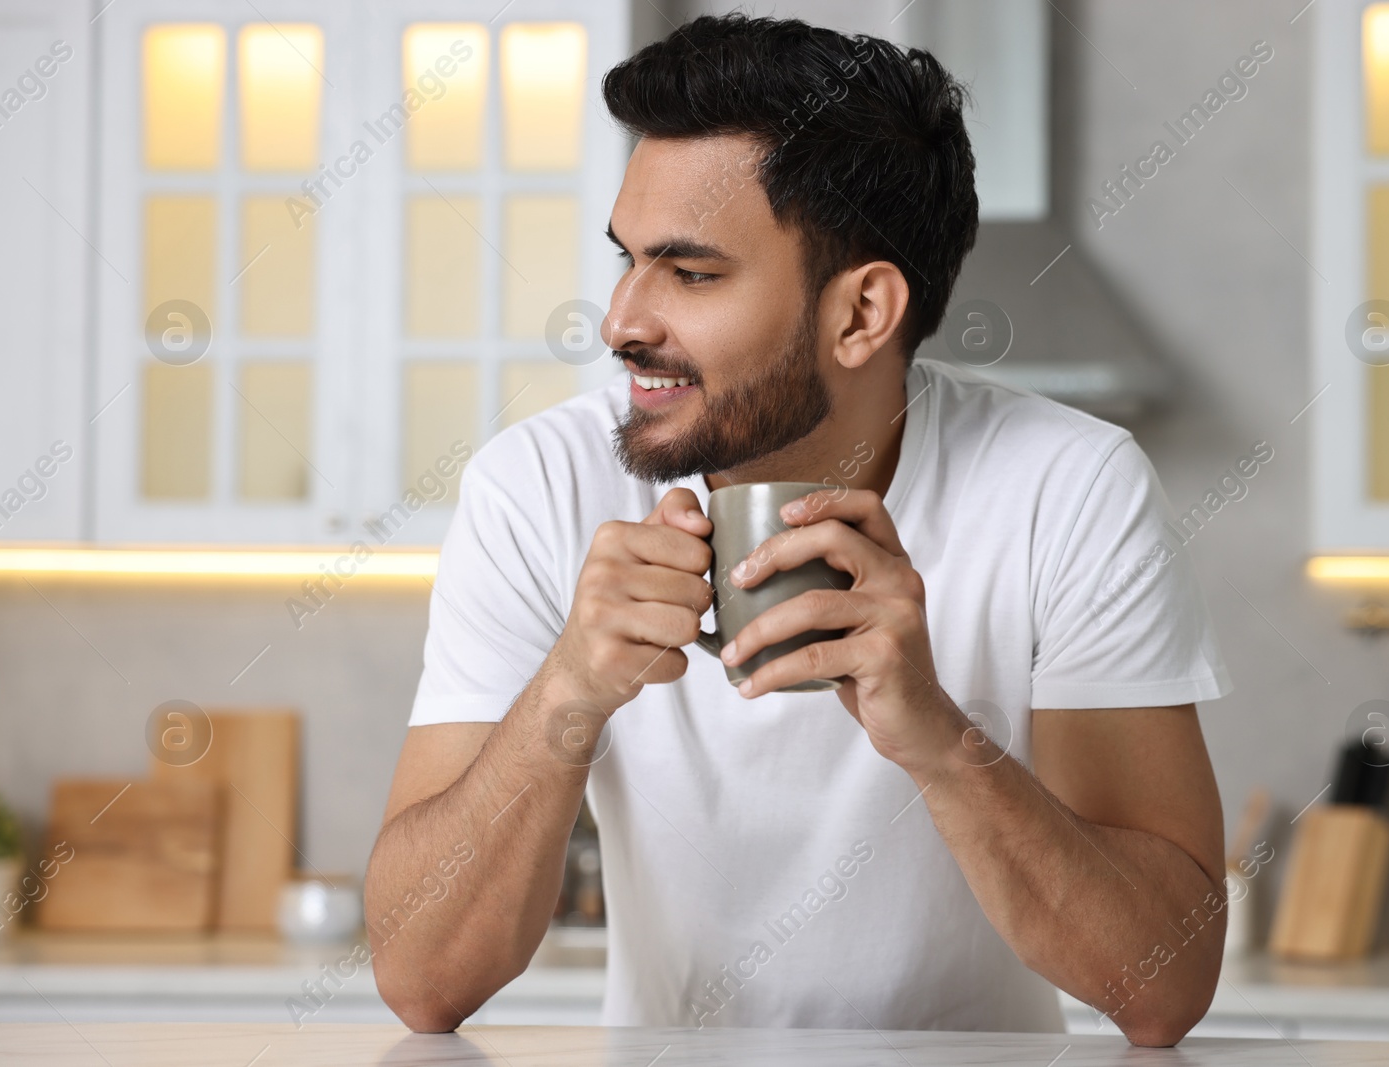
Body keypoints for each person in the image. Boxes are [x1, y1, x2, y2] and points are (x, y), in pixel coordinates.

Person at [366, 13, 1232, 1047]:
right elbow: (422, 980)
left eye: (689, 274)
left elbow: (1164, 986)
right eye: (627, 259)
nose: (620, 321)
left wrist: (938, 738)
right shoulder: (535, 487)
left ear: (862, 314)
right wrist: (567, 691)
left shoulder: (1069, 488)